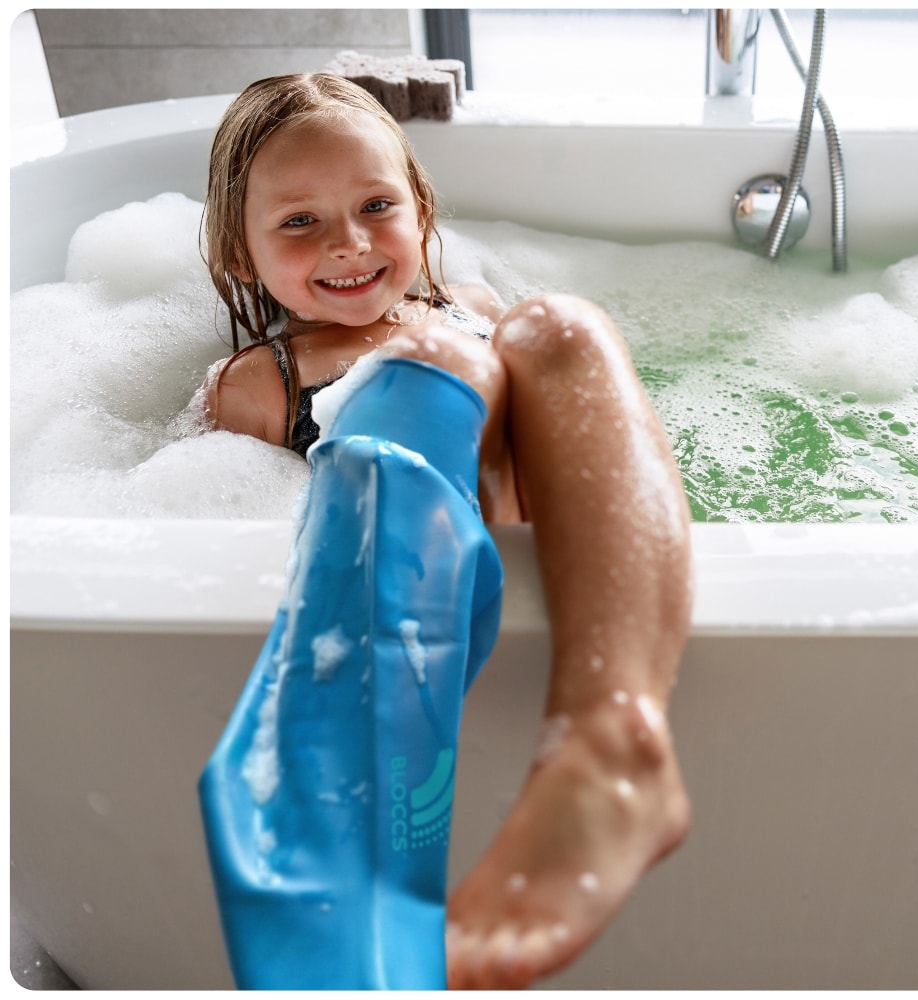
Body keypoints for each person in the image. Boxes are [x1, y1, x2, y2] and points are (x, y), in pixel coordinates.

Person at [199, 72, 692, 990]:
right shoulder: (258, 385)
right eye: (299, 223)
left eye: (376, 205)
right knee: (429, 358)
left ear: (421, 207)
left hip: (515, 536)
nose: (347, 244)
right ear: (239, 253)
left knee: (565, 327)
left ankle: (612, 735)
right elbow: (195, 516)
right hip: (405, 606)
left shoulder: (466, 300)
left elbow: (572, 441)